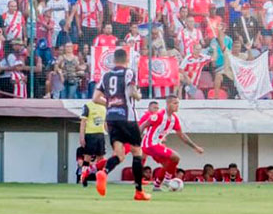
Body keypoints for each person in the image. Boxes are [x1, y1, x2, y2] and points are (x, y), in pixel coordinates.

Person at [92, 48, 151, 201]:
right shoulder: (129, 72)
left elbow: (95, 98)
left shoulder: (106, 75)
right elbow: (132, 92)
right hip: (127, 117)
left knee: (119, 155)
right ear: (126, 60)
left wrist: (111, 103)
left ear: (114, 60)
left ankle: (104, 172)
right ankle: (139, 192)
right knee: (137, 152)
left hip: (111, 117)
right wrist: (138, 96)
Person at [140, 95, 204, 191]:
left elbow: (181, 135)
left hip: (157, 145)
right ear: (168, 104)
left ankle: (157, 186)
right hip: (150, 145)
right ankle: (167, 179)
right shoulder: (158, 115)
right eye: (175, 103)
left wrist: (195, 147)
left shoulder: (174, 119)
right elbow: (143, 125)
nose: (177, 105)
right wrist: (136, 140)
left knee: (167, 164)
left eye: (178, 103)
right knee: (176, 157)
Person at [77, 98, 106, 185]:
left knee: (100, 158)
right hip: (90, 134)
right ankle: (83, 178)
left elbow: (105, 122)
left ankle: (100, 180)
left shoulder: (104, 106)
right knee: (87, 158)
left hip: (100, 134)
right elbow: (83, 122)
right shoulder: (87, 106)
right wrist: (82, 136)